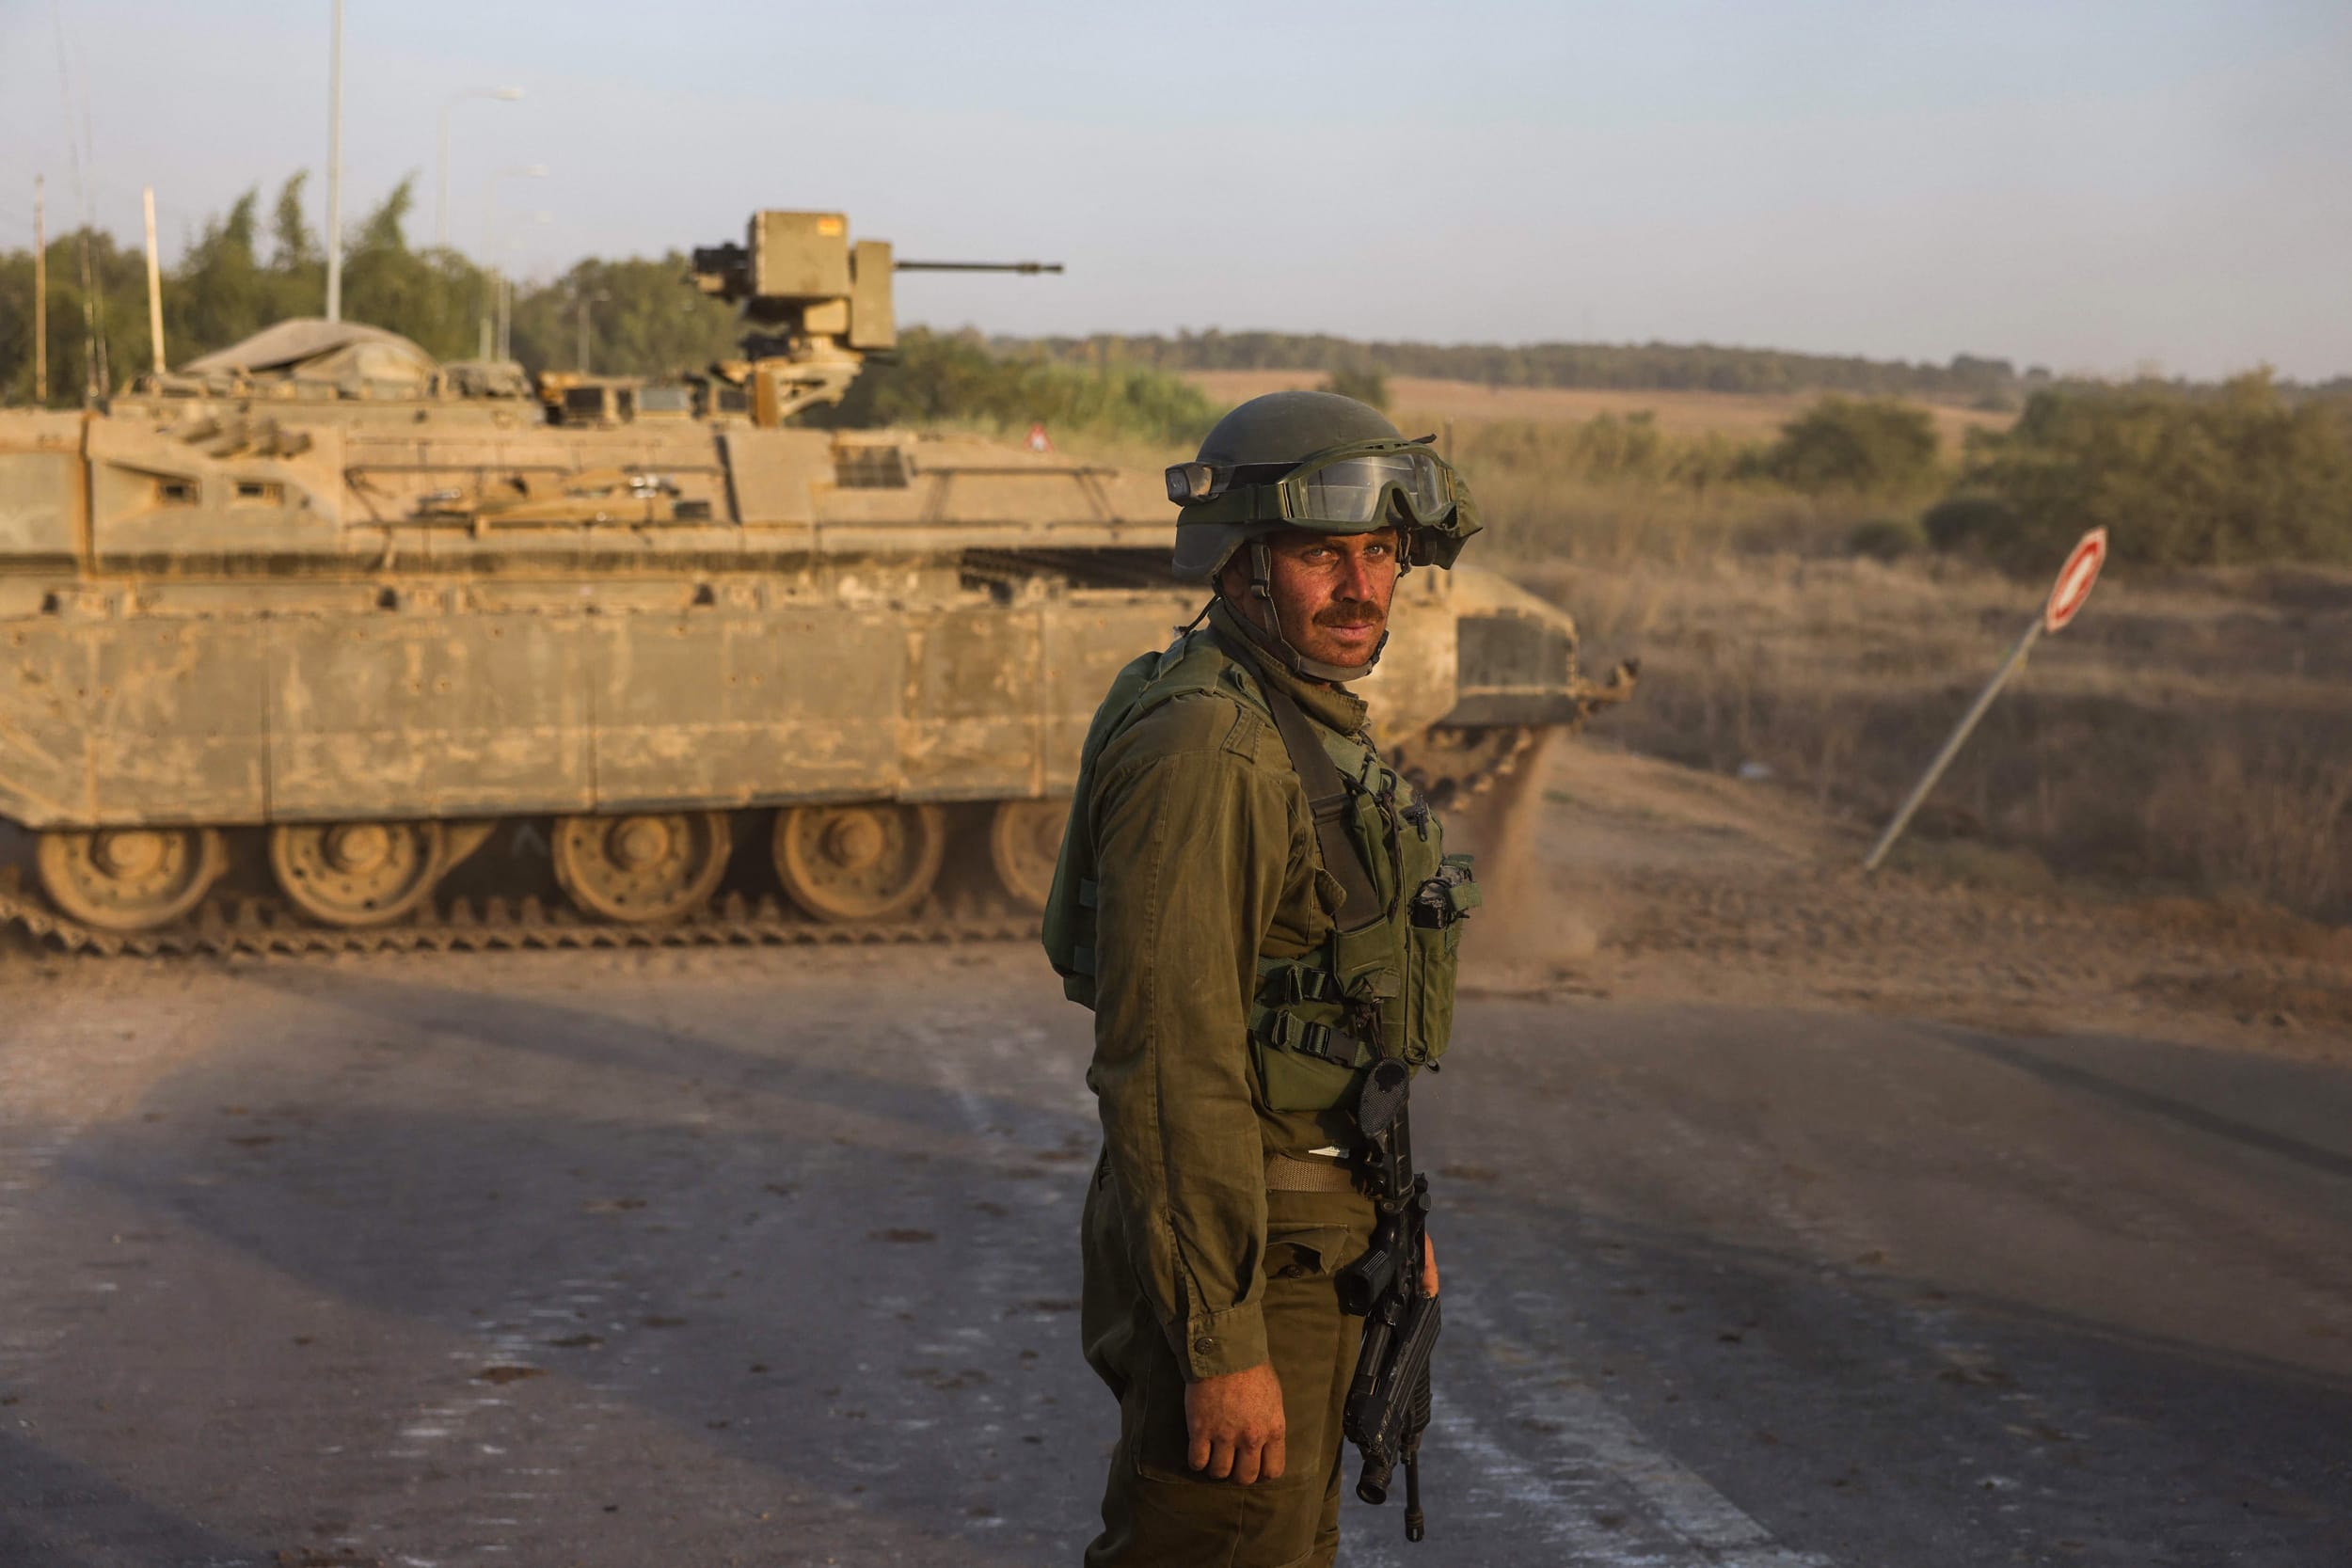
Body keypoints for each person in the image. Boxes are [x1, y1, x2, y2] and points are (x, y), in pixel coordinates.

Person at [1043, 390, 1484, 1567]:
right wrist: (1220, 1341)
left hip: (1313, 1228)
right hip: (1249, 1254)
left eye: (1382, 552)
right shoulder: (1210, 747)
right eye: (1321, 553)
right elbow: (1165, 1065)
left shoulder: (1292, 720)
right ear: (1239, 563)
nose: (1362, 586)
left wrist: (1387, 1207)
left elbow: (1323, 1006)